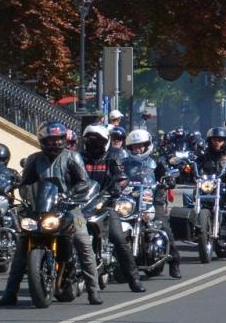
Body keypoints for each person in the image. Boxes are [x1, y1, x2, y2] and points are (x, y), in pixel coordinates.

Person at [0, 121, 102, 306]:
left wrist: (70, 196)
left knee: (83, 241)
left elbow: (84, 182)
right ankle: (10, 292)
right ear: (43, 140)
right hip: (40, 209)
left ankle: (93, 291)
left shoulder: (73, 158)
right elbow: (25, 184)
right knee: (23, 242)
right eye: (51, 140)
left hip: (69, 208)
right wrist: (28, 196)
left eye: (59, 139)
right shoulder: (33, 159)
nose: (55, 144)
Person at [78, 123, 146, 294]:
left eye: (98, 141)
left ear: (106, 142)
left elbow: (122, 177)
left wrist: (117, 187)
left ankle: (134, 280)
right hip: (80, 206)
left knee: (119, 239)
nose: (94, 144)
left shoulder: (112, 158)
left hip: (104, 205)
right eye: (90, 141)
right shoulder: (77, 158)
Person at [122, 128, 182, 278]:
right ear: (130, 147)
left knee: (164, 227)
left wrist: (168, 180)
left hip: (153, 200)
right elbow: (117, 176)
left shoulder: (156, 162)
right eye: (135, 146)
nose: (139, 149)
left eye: (142, 145)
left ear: (148, 145)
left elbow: (167, 175)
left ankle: (174, 261)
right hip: (130, 200)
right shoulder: (124, 163)